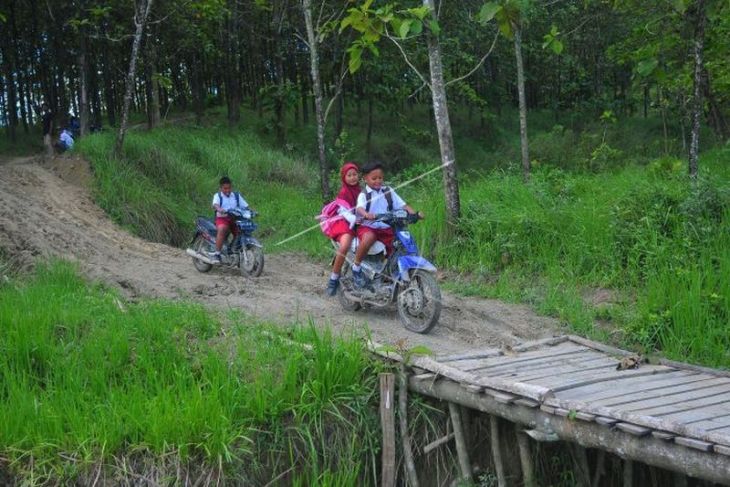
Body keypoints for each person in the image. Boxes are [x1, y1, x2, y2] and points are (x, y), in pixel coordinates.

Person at [352, 161, 421, 289]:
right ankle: (356, 267)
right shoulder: (364, 195)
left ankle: (389, 274)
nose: (378, 181)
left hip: (386, 227)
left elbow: (403, 205)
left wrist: (415, 214)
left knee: (400, 245)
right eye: (374, 178)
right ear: (365, 179)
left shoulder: (388, 191)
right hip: (368, 226)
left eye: (380, 178)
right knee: (369, 238)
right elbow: (359, 208)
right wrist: (366, 214)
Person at [325, 162, 361, 296]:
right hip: (345, 223)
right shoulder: (344, 192)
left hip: (360, 223)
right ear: (344, 178)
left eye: (355, 174)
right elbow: (343, 210)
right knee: (345, 245)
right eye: (349, 175)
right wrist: (352, 218)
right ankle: (333, 279)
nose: (353, 177)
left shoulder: (361, 191)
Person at [211, 176, 249, 263]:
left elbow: (246, 206)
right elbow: (215, 205)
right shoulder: (217, 196)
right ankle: (217, 254)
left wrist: (251, 212)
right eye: (225, 188)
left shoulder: (236, 195)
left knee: (241, 232)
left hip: (235, 219)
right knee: (222, 229)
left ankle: (233, 250)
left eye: (229, 188)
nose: (227, 190)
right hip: (222, 218)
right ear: (221, 188)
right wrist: (220, 209)